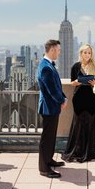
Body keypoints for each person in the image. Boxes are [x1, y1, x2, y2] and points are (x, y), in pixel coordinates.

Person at [62, 44, 95, 163]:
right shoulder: (75, 66)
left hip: (91, 97)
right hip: (78, 97)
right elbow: (72, 82)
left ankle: (89, 151)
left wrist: (94, 83)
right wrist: (77, 82)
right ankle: (76, 150)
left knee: (89, 123)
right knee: (77, 123)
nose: (87, 55)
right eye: (85, 52)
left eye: (89, 53)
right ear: (81, 53)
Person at [37, 39, 67, 178]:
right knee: (47, 138)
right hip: (48, 107)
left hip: (52, 107)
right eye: (58, 50)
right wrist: (62, 100)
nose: (59, 53)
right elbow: (51, 89)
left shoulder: (48, 65)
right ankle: (44, 168)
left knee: (51, 136)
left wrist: (63, 96)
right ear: (52, 49)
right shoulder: (45, 67)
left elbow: (57, 85)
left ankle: (48, 160)